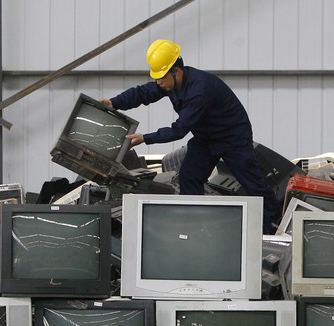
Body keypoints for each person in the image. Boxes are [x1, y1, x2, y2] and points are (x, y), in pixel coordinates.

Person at [102, 39, 282, 234]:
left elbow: (179, 130)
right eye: (156, 78)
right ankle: (197, 226)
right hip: (205, 136)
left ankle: (273, 226)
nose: (158, 83)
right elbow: (143, 93)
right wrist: (113, 103)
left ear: (176, 71)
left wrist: (145, 138)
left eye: (161, 77)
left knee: (252, 184)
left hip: (232, 136)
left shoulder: (199, 90)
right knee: (189, 177)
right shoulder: (169, 83)